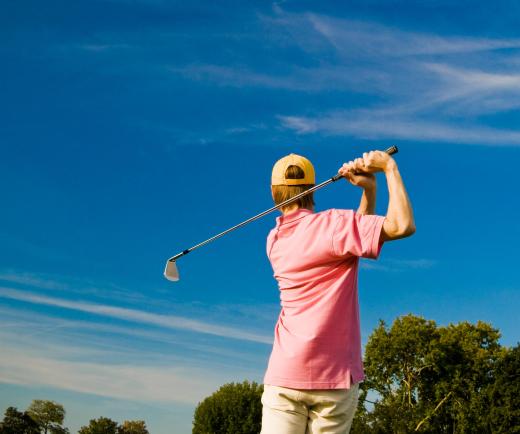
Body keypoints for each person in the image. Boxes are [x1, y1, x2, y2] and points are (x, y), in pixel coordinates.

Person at [261, 150, 415, 434]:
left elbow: (350, 242)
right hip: (335, 379)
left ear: (273, 192)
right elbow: (402, 226)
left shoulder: (274, 241)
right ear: (311, 189)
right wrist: (389, 168)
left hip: (285, 374)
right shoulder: (335, 226)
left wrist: (368, 191)